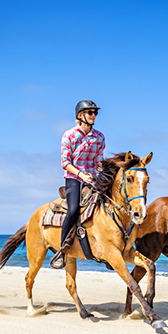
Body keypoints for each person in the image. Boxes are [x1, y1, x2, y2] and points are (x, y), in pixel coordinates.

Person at [51, 100, 106, 269]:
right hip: (74, 178)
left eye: (95, 113)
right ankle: (62, 249)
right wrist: (82, 174)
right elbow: (65, 163)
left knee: (108, 204)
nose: (94, 116)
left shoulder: (99, 137)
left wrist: (103, 171)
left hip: (93, 178)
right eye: (90, 112)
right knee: (74, 209)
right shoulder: (69, 135)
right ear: (81, 115)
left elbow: (98, 161)